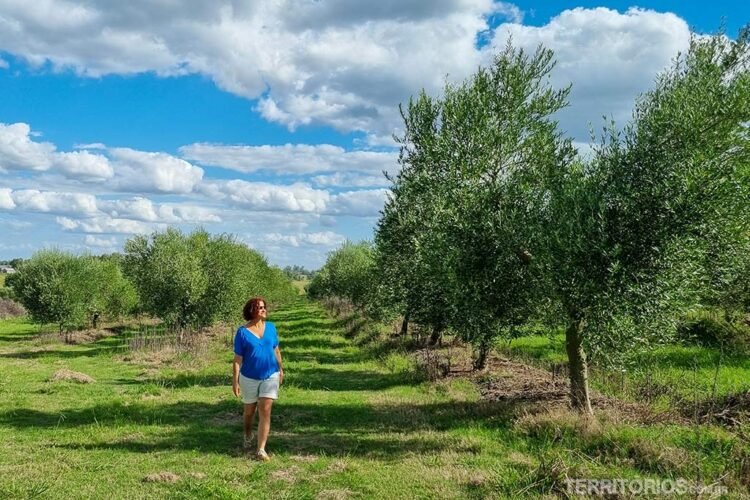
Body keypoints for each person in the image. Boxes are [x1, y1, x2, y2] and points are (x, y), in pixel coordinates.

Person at [232, 297, 284, 461]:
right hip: (249, 377)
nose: (263, 310)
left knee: (265, 410)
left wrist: (281, 369)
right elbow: (237, 359)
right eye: (259, 308)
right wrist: (235, 380)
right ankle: (248, 432)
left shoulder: (271, 328)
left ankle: (261, 449)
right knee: (249, 411)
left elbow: (276, 349)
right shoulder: (242, 332)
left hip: (271, 374)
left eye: (264, 307)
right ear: (251, 311)